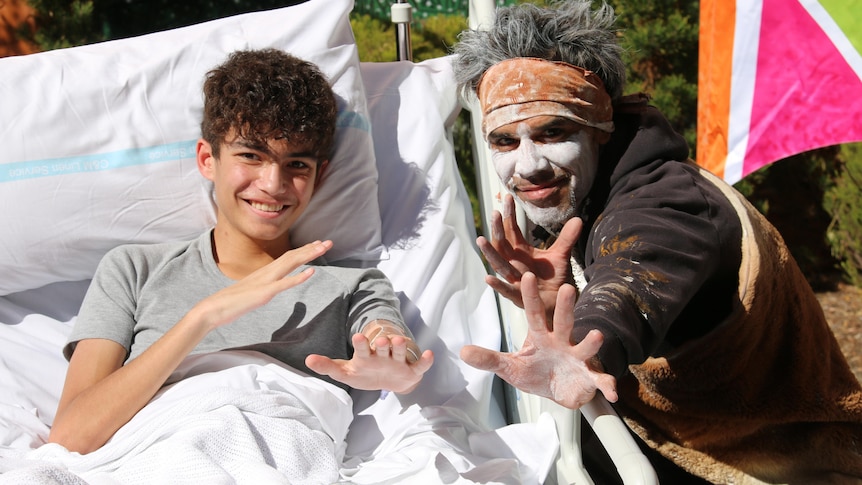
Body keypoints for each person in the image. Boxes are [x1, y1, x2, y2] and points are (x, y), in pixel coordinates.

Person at [452, 1, 862, 484]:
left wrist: (583, 342)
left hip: (785, 468)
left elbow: (635, 270)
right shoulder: (603, 189)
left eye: (553, 132)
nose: (528, 166)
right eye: (505, 141)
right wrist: (562, 301)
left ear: (600, 127)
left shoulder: (666, 203)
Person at [48, 48, 434, 457]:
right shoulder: (133, 270)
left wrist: (395, 365)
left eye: (296, 165)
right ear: (207, 159)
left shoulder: (351, 286)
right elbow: (71, 436)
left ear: (319, 175)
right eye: (251, 155)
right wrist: (205, 316)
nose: (273, 183)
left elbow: (393, 347)